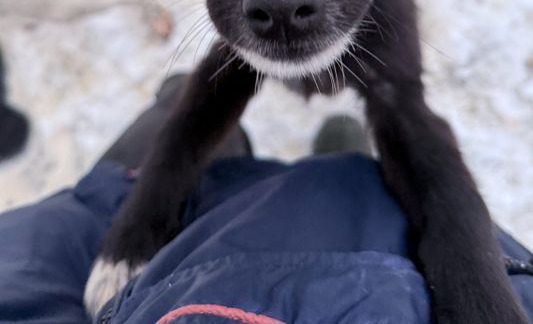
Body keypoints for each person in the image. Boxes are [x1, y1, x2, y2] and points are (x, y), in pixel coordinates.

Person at [0, 74, 532, 324]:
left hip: (185, 230)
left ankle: (181, 106)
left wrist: (118, 204)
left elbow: (28, 262)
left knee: (182, 115)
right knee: (356, 181)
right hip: (389, 237)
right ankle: (344, 164)